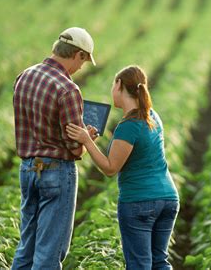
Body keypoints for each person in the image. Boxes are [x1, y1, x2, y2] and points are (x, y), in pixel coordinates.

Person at [66, 65, 180, 269]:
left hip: (140, 201)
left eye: (113, 84)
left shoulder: (129, 126)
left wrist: (86, 141)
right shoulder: (152, 116)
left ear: (119, 85)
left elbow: (110, 168)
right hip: (168, 198)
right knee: (159, 261)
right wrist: (91, 140)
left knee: (139, 264)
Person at [12, 27, 97, 269]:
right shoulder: (68, 89)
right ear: (78, 55)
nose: (81, 67)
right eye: (84, 61)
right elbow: (75, 148)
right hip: (56, 172)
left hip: (28, 169)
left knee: (26, 246)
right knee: (50, 252)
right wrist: (86, 138)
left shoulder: (24, 76)